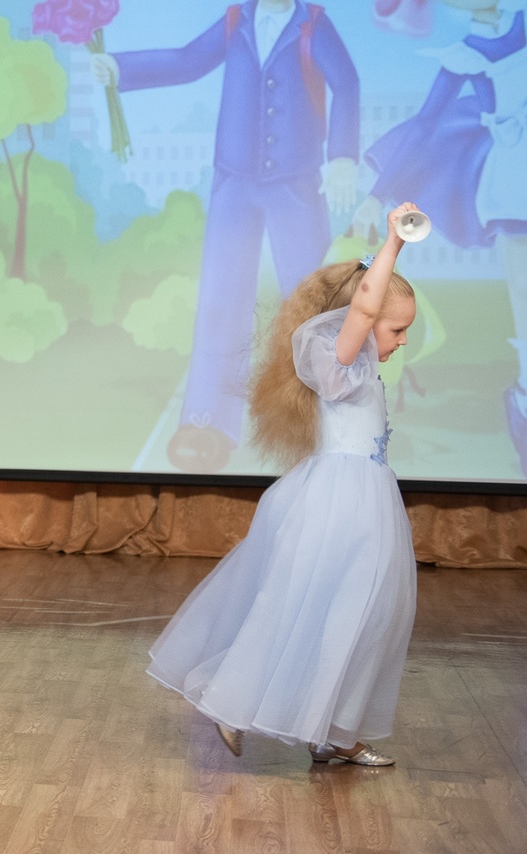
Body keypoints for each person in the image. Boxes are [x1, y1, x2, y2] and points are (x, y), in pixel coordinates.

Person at [147, 203, 421, 766]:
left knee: (363, 618)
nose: (401, 341)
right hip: (339, 505)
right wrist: (393, 243)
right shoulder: (339, 360)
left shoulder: (360, 367)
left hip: (366, 504)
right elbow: (365, 305)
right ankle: (231, 703)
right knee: (309, 608)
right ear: (361, 320)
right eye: (397, 329)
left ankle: (335, 732)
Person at [93, 0, 359, 473]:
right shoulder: (238, 19)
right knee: (221, 297)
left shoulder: (313, 23)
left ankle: (324, 417)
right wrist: (119, 67)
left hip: (297, 183)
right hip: (234, 179)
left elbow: (348, 83)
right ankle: (208, 419)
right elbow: (188, 61)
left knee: (311, 302)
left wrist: (341, 156)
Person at [354, 0, 527, 474]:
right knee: (523, 297)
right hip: (513, 180)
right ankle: (524, 407)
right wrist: (376, 195)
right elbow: (424, 125)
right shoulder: (463, 54)